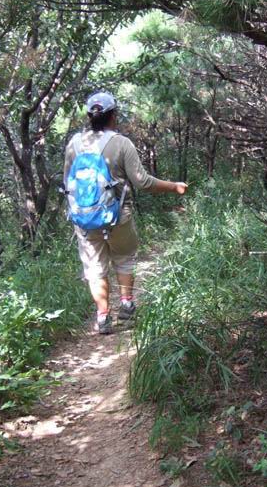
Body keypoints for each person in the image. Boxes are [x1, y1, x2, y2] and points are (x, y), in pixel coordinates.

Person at [64, 91, 188, 335]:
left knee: (95, 269)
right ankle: (127, 305)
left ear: (89, 117)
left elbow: (68, 183)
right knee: (124, 258)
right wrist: (174, 186)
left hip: (84, 220)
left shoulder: (74, 144)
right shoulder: (121, 143)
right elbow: (143, 182)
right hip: (118, 216)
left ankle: (102, 317)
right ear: (113, 116)